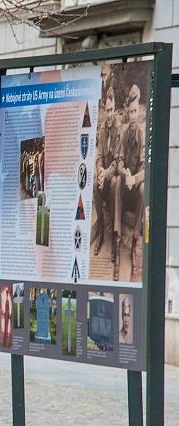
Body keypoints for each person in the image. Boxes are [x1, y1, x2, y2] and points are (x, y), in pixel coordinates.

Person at [112, 84, 145, 281]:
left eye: (135, 111)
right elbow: (120, 159)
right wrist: (125, 173)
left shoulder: (141, 134)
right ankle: (117, 239)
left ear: (139, 111)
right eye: (130, 112)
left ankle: (134, 240)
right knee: (116, 182)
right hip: (126, 184)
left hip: (136, 186)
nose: (132, 115)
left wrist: (135, 178)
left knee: (143, 189)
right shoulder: (124, 133)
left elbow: (145, 166)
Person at [93, 88, 119, 258]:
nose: (109, 114)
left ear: (114, 108)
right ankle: (101, 231)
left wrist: (106, 173)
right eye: (106, 110)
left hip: (114, 175)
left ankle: (113, 239)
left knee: (115, 182)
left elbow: (118, 160)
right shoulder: (102, 129)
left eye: (111, 110)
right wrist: (100, 171)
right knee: (95, 185)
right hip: (105, 175)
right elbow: (99, 156)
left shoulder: (119, 128)